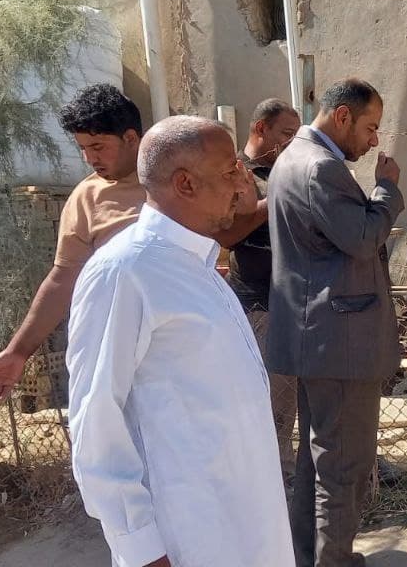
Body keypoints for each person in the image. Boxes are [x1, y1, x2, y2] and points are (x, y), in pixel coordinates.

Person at [67, 115, 292, 566]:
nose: (242, 184)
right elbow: (96, 421)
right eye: (230, 171)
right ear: (185, 183)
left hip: (248, 523)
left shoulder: (197, 265)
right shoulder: (126, 271)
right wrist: (141, 548)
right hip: (189, 535)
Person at [267, 78, 403, 567]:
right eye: (370, 127)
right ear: (342, 116)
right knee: (344, 467)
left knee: (319, 460)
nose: (373, 140)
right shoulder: (320, 167)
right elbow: (363, 238)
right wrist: (387, 189)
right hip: (340, 343)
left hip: (317, 338)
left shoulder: (293, 158)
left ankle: (311, 557)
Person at [0, 83, 145, 405]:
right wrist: (17, 352)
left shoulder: (176, 181)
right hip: (121, 354)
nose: (89, 158)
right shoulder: (87, 198)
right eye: (83, 148)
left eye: (98, 146)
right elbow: (63, 279)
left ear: (131, 138)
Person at [215, 98, 302, 489]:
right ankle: (272, 478)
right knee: (269, 394)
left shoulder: (282, 172)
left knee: (288, 395)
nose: (292, 142)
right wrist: (278, 198)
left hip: (293, 303)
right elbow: (228, 234)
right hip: (258, 304)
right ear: (260, 128)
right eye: (286, 133)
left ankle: (282, 470)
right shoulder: (237, 174)